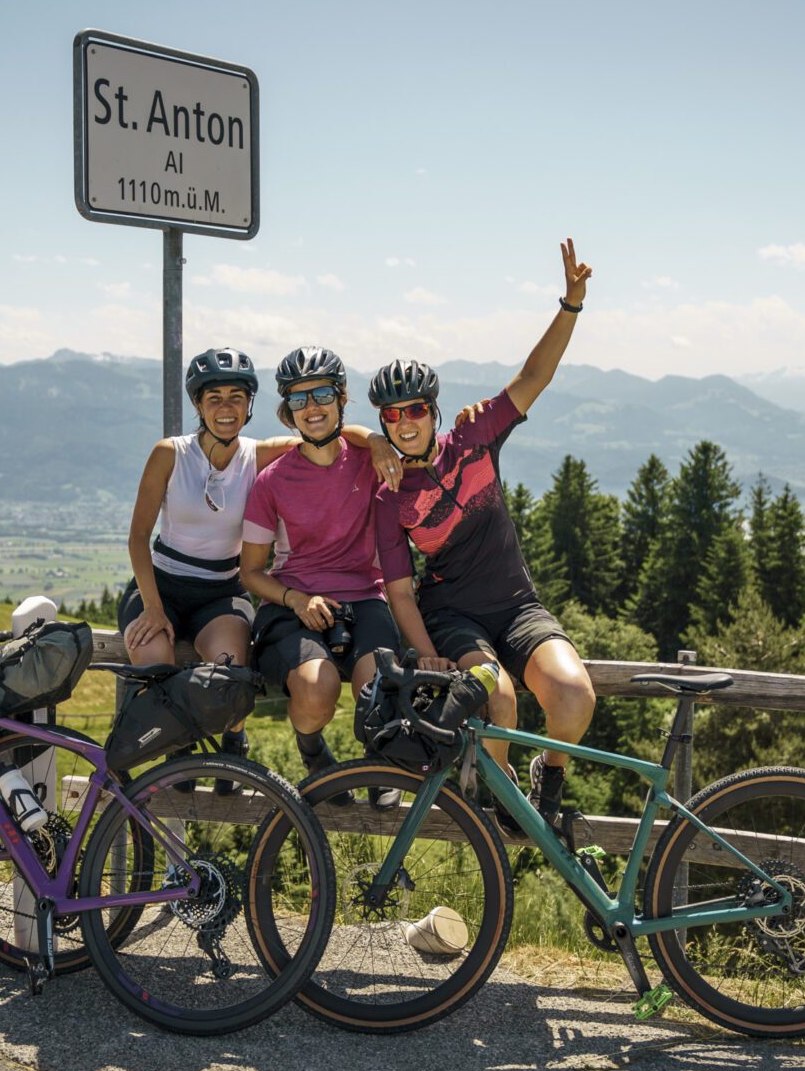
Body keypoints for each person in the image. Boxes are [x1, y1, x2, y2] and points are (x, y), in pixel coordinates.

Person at [371, 238, 598, 829]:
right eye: (390, 416)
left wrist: (569, 305)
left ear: (433, 409)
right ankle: (499, 808)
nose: (404, 422)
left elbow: (534, 377)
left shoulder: (475, 438)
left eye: (414, 409)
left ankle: (548, 783)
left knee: (574, 698)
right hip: (453, 616)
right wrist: (426, 652)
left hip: (518, 606)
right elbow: (399, 591)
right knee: (498, 699)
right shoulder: (388, 496)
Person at [120, 347, 400, 792]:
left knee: (232, 676)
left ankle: (233, 740)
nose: (226, 408)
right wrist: (152, 609)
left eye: (236, 397)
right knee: (157, 669)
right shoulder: (170, 454)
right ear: (198, 405)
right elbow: (137, 538)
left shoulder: (258, 454)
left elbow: (325, 430)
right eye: (214, 398)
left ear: (251, 405)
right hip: (162, 586)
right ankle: (181, 752)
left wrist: (378, 439)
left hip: (219, 590)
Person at [240, 347, 403, 809]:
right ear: (287, 411)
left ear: (342, 398)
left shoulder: (369, 459)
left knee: (380, 690)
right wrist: (294, 599)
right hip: (292, 602)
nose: (312, 407)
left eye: (322, 394)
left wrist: (374, 440)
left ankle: (379, 761)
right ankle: (312, 753)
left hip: (363, 597)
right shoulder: (271, 482)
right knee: (316, 688)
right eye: (298, 399)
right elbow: (250, 571)